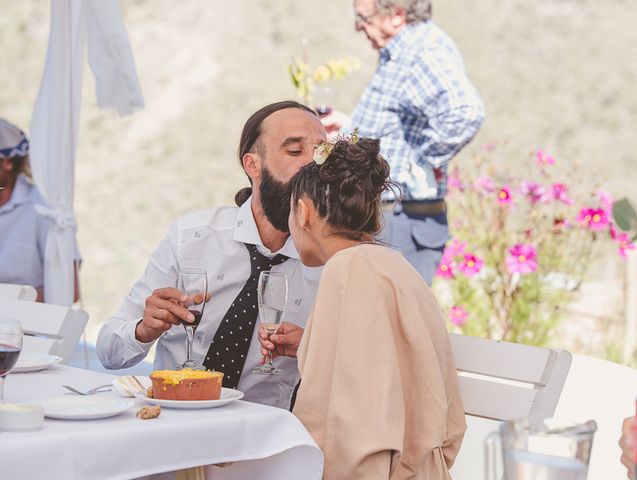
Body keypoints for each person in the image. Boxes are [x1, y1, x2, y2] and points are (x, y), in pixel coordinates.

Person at [97, 101, 327, 409]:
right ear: (253, 165)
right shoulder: (191, 237)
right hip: (174, 424)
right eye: (295, 151)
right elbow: (109, 352)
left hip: (263, 440)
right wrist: (143, 329)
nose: (312, 165)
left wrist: (312, 348)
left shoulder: (332, 263)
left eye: (321, 152)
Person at [265, 135, 465, 478]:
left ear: (304, 212)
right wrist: (311, 346)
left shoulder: (347, 270)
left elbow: (352, 428)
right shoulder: (396, 266)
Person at [322, 0, 485, 284]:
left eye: (364, 17)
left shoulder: (421, 53)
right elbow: (401, 126)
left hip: (401, 221)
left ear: (396, 15)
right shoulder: (404, 49)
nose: (358, 26)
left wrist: (415, 165)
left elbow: (465, 112)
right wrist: (350, 129)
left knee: (391, 321)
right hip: (393, 220)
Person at [0, 118, 80, 302]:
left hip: (28, 327)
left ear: (8, 163)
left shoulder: (44, 209)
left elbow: (68, 289)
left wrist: (8, 304)